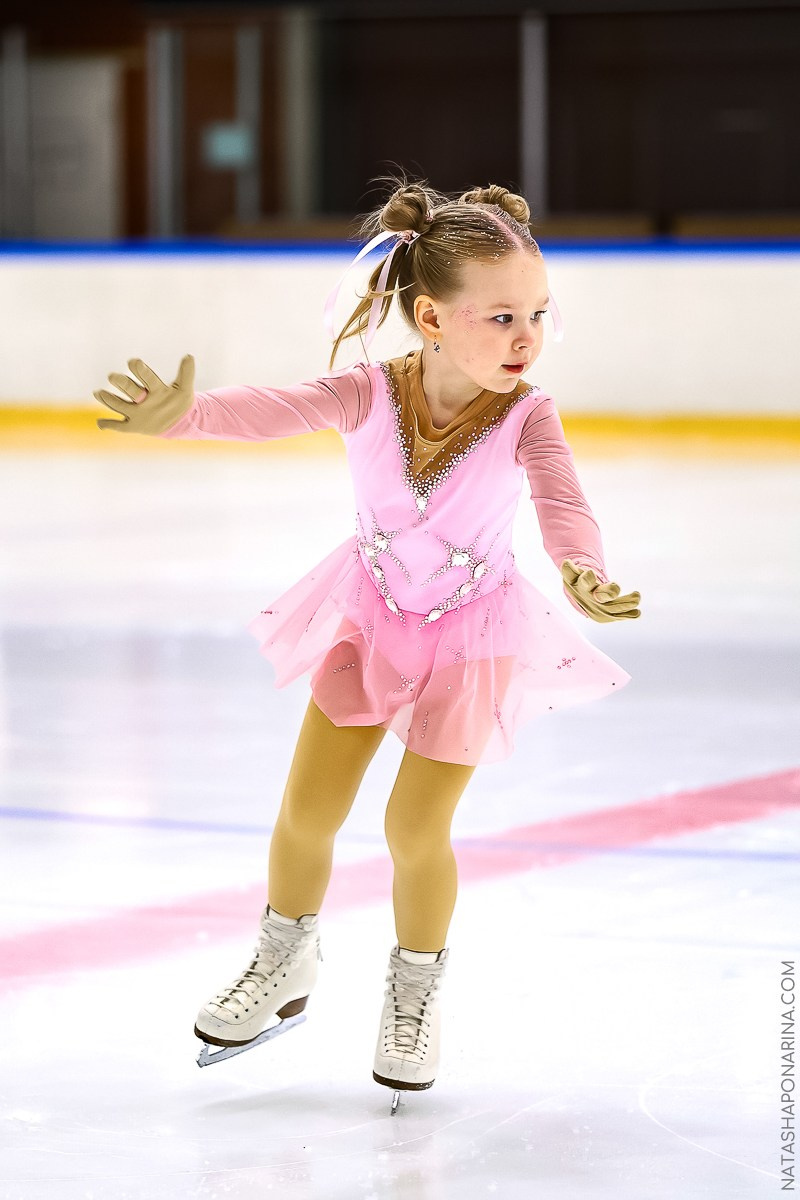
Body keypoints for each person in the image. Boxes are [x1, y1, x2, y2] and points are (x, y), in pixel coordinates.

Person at [93, 176, 640, 1113]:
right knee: (306, 813)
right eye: (502, 315)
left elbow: (560, 499)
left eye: (540, 315)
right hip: (373, 620)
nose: (527, 338)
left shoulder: (528, 415)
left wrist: (581, 568)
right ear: (432, 316)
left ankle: (414, 995)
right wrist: (184, 414)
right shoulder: (369, 393)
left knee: (412, 829)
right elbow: (276, 407)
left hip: (473, 641)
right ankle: (283, 960)